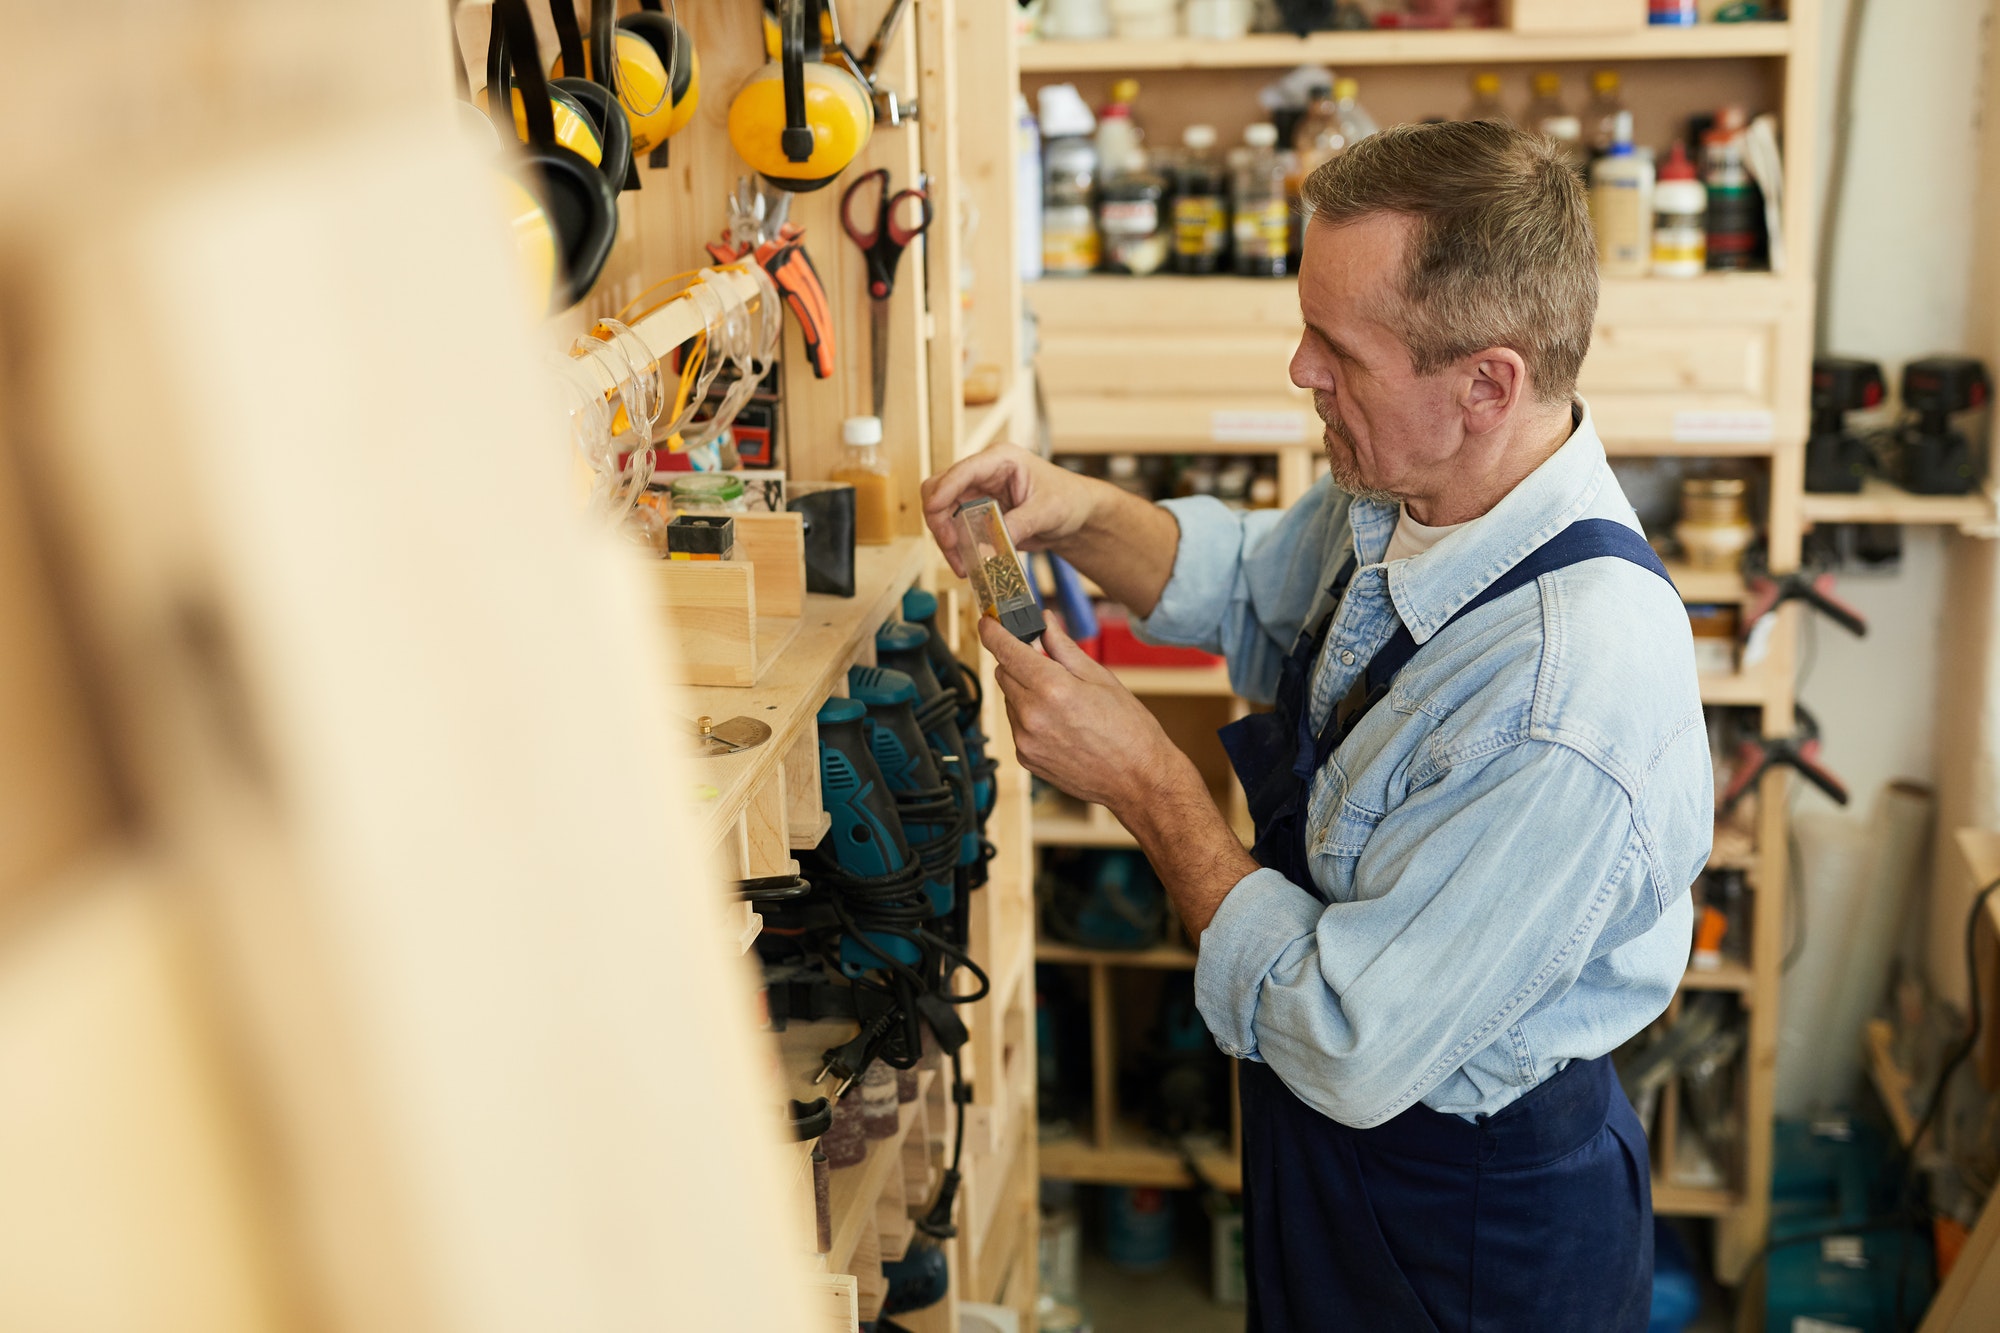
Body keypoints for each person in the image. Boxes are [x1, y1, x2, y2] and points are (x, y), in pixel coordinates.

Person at [922, 120, 1710, 1331]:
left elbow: (1344, 1035)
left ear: (1485, 383)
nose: (1299, 371)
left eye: (1336, 347)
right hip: (1332, 1151)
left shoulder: (1563, 697)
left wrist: (1147, 784)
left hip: (1466, 1219)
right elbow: (1249, 583)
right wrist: (1075, 510)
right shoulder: (1418, 489)